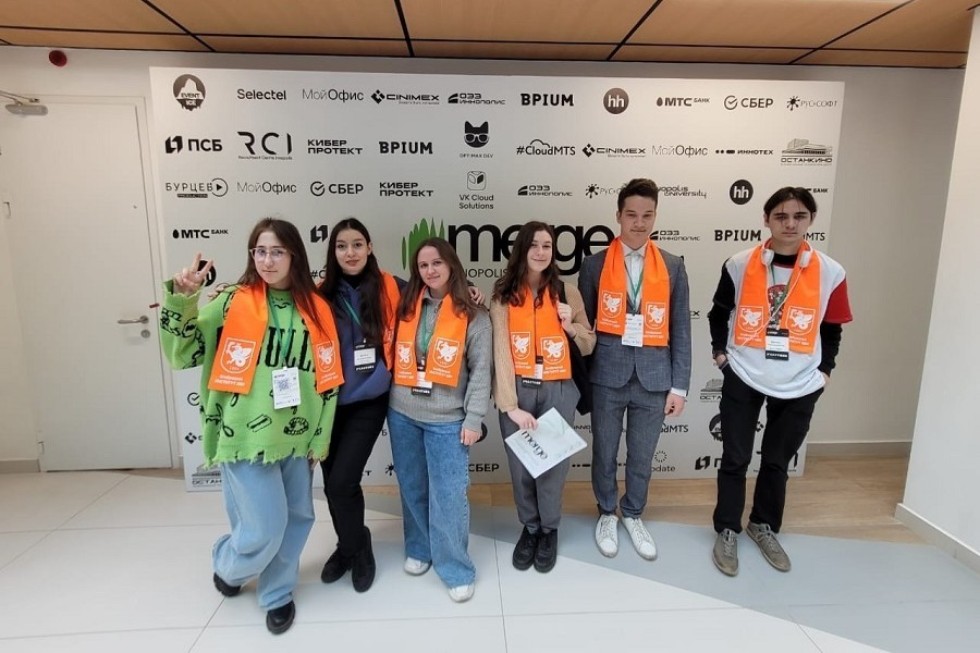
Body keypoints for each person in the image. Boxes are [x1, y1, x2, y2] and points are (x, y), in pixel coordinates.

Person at [159, 218, 343, 635]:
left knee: (297, 519)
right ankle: (230, 564)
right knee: (264, 526)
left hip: (296, 437)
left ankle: (277, 593)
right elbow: (183, 353)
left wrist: (320, 437)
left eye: (277, 251)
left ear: (294, 256)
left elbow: (328, 381)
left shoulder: (316, 309)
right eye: (260, 251)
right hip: (243, 435)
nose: (267, 260)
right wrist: (184, 300)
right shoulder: (232, 301)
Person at [708, 186, 851, 577]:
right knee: (735, 457)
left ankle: (763, 524)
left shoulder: (831, 271)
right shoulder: (739, 263)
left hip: (801, 381)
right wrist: (721, 355)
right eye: (781, 216)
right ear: (766, 219)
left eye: (799, 216)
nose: (790, 224)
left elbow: (832, 328)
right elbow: (718, 313)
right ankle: (727, 528)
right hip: (744, 372)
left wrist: (825, 371)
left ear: (811, 220)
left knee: (776, 460)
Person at [578, 178, 692, 560]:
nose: (639, 223)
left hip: (655, 378)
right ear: (618, 216)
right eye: (631, 215)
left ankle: (633, 512)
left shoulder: (673, 266)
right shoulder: (594, 265)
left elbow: (681, 328)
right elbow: (585, 328)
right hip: (607, 376)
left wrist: (680, 387)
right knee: (605, 451)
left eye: (647, 215)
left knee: (642, 454)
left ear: (655, 216)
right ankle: (606, 512)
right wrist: (583, 382)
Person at [387, 237, 492, 603]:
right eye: (423, 265)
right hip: (403, 413)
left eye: (436, 263)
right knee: (412, 486)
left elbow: (481, 372)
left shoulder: (475, 315)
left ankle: (455, 567)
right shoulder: (406, 306)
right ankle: (420, 547)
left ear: (451, 265)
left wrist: (474, 418)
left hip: (448, 419)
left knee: (448, 495)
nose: (430, 270)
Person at [490, 221, 595, 573]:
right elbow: (500, 353)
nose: (540, 252)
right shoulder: (503, 295)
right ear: (522, 250)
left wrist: (570, 327)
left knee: (552, 465)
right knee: (521, 466)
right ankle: (530, 527)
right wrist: (510, 406)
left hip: (558, 387)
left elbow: (589, 342)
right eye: (533, 245)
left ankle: (549, 529)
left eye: (547, 245)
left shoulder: (567, 292)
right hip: (517, 388)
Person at [315, 218, 401, 593]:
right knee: (331, 482)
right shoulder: (319, 294)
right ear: (333, 252)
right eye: (341, 246)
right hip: (328, 401)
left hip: (369, 398)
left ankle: (358, 547)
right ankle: (348, 545)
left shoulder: (391, 286)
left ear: (369, 247)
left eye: (357, 244)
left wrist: (472, 295)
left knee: (342, 482)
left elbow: (436, 293)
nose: (350, 253)